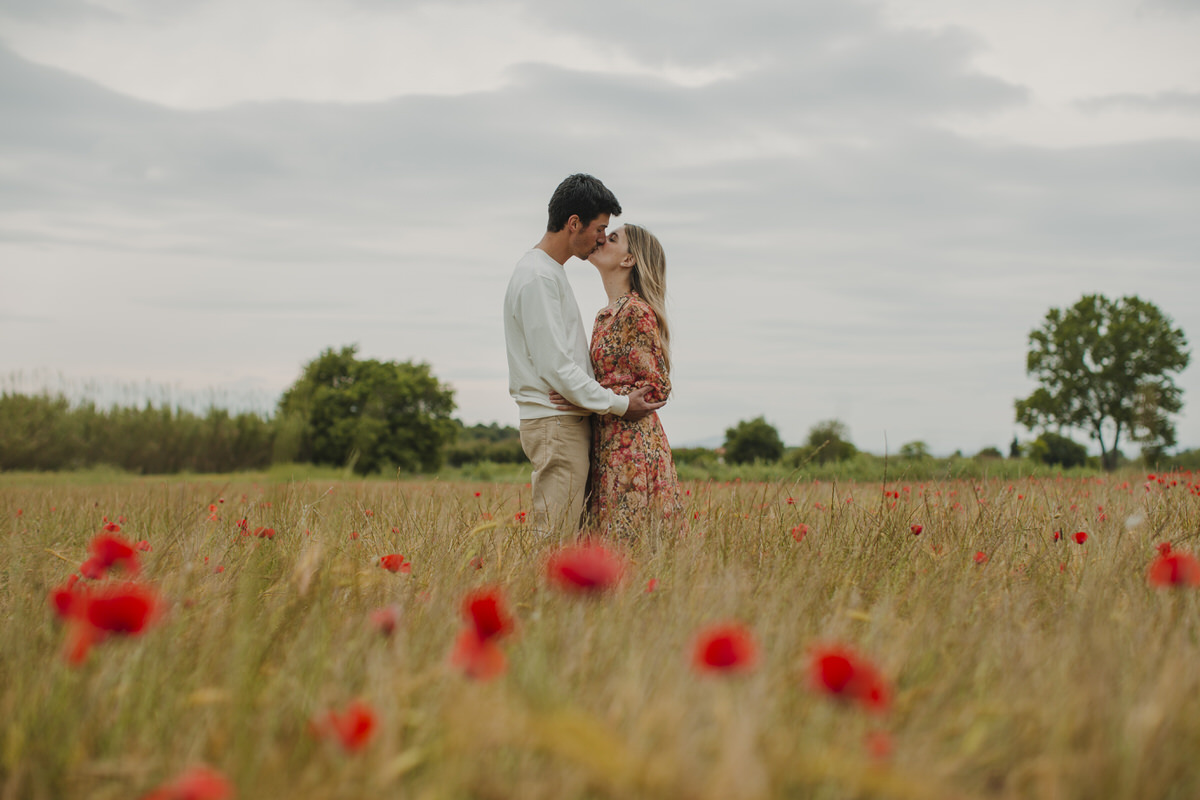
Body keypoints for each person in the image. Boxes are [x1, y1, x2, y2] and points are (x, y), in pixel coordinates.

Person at [503, 174, 664, 537]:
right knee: (555, 539)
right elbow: (555, 366)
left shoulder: (548, 273)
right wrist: (619, 404)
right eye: (600, 228)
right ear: (574, 223)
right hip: (556, 423)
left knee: (569, 537)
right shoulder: (539, 277)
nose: (602, 238)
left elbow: (563, 365)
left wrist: (586, 397)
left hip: (565, 420)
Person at [552, 224, 683, 537]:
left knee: (631, 545)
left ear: (628, 260)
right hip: (607, 443)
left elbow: (657, 388)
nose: (601, 240)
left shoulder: (636, 312)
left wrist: (586, 397)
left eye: (612, 239)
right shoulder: (605, 315)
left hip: (633, 448)